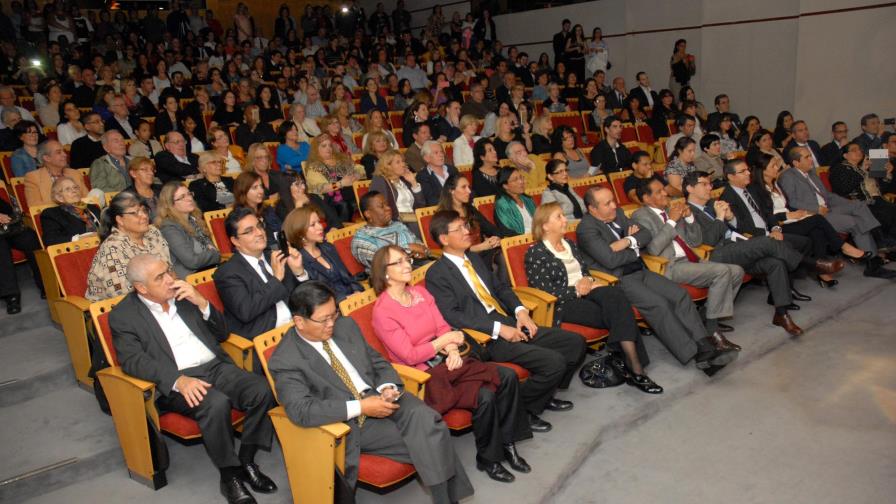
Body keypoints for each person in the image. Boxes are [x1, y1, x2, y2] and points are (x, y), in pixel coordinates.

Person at [268, 280, 474, 502]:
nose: (331, 324)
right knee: (427, 439)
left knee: (428, 421)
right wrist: (362, 406)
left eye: (333, 315)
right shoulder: (286, 359)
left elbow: (377, 362)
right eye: (323, 319)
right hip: (352, 420)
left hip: (381, 396)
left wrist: (387, 387)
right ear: (299, 321)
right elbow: (301, 410)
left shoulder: (344, 326)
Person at [109, 253, 277, 504]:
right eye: (160, 277)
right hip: (177, 380)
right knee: (215, 403)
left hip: (215, 366)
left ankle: (246, 461)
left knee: (263, 390)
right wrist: (178, 380)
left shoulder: (184, 296)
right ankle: (229, 476)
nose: (170, 279)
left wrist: (202, 302)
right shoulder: (124, 315)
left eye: (169, 271)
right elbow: (133, 361)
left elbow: (222, 333)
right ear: (141, 288)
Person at [370, 244, 533, 483]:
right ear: (384, 273)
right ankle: (490, 458)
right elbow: (409, 355)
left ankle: (508, 443)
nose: (408, 265)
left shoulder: (420, 294)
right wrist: (445, 342)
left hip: (449, 362)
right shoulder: (383, 312)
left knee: (506, 377)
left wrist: (452, 349)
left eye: (407, 259)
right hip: (424, 376)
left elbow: (442, 327)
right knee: (486, 394)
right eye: (399, 262)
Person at [426, 209, 585, 432]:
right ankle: (526, 409)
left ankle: (543, 393)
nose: (467, 231)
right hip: (486, 336)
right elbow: (452, 315)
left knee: (575, 343)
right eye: (459, 229)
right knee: (554, 361)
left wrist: (520, 312)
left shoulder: (473, 258)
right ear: (444, 239)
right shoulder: (437, 274)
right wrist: (500, 329)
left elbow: (501, 288)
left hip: (506, 319)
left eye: (465, 226)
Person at [576, 186, 738, 373]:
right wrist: (635, 247)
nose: (614, 205)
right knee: (658, 305)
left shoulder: (618, 213)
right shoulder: (586, 229)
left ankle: (705, 345)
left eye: (613, 200)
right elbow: (609, 260)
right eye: (607, 203)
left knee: (680, 295)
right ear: (592, 209)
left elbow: (645, 234)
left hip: (641, 270)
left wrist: (628, 241)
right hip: (618, 279)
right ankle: (696, 355)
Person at [527, 202, 661, 392]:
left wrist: (588, 280)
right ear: (545, 225)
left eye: (563, 215)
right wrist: (577, 290)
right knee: (618, 313)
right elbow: (546, 293)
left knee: (616, 295)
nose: (565, 220)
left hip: (586, 290)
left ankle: (631, 365)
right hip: (563, 302)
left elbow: (584, 271)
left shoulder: (569, 244)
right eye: (559, 217)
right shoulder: (536, 253)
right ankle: (636, 368)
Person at [684, 170, 830, 336]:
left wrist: (731, 217)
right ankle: (811, 263)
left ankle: (781, 314)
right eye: (704, 184)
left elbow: (737, 229)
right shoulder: (688, 212)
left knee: (776, 263)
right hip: (715, 253)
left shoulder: (711, 204)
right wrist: (719, 218)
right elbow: (707, 240)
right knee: (769, 242)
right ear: (690, 188)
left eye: (710, 183)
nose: (709, 187)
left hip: (736, 246)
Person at [632, 180, 744, 339]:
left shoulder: (670, 210)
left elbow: (696, 241)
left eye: (664, 189)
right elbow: (653, 249)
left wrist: (690, 218)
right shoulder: (640, 216)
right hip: (669, 266)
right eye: (659, 192)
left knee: (737, 271)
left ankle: (707, 317)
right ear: (646, 198)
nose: (665, 193)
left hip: (691, 260)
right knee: (722, 271)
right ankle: (712, 330)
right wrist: (672, 221)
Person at [750, 152, 869, 287]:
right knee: (817, 219)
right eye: (773, 166)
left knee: (817, 230)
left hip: (791, 219)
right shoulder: (756, 189)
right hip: (777, 225)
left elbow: (786, 206)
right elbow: (764, 215)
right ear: (763, 170)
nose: (777, 168)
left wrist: (799, 213)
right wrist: (787, 216)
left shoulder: (775, 184)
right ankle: (843, 247)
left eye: (777, 165)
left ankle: (822, 271)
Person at [777, 147, 891, 278]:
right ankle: (874, 257)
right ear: (796, 163)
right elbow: (792, 202)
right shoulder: (788, 176)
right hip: (814, 214)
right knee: (854, 222)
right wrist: (815, 208)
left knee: (859, 206)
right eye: (807, 157)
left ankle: (877, 249)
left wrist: (849, 203)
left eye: (810, 156)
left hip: (828, 207)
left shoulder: (811, 173)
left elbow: (827, 195)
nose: (811, 160)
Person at [213, 206, 308, 341]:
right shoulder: (227, 273)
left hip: (299, 326)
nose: (259, 233)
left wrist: (299, 272)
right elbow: (247, 311)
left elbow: (305, 296)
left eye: (259, 226)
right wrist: (276, 279)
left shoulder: (275, 256)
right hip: (268, 337)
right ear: (235, 241)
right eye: (249, 231)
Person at [85, 192, 170, 301]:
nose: (144, 216)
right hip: (120, 306)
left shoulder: (153, 232)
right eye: (135, 213)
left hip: (158, 295)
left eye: (144, 210)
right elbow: (123, 295)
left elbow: (169, 271)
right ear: (120, 220)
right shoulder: (112, 248)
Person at [282, 206, 362, 302]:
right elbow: (313, 296)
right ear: (300, 233)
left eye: (319, 222)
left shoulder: (328, 247)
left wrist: (357, 291)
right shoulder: (297, 261)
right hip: (331, 308)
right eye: (313, 225)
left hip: (354, 299)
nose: (320, 227)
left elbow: (348, 277)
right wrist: (344, 299)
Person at [829, 142, 896, 243]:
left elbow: (882, 190)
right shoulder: (839, 168)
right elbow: (844, 189)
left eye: (859, 149)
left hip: (877, 200)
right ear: (845, 155)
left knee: (891, 210)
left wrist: (887, 174)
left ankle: (890, 243)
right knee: (886, 213)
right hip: (859, 203)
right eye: (854, 150)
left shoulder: (867, 167)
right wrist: (862, 170)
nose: (859, 151)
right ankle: (885, 243)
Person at [155, 182, 221, 279]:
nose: (189, 199)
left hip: (209, 270)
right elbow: (192, 262)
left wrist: (213, 254)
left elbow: (213, 250)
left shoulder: (194, 219)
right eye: (182, 197)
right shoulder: (169, 228)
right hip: (193, 277)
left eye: (189, 194)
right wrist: (213, 254)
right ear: (169, 204)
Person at [351, 191, 429, 271]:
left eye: (387, 204)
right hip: (391, 279)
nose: (388, 208)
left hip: (420, 268)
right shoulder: (363, 239)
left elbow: (421, 247)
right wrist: (408, 248)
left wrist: (423, 252)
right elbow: (380, 263)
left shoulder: (398, 225)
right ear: (368, 214)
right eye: (381, 206)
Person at [304, 134, 365, 223]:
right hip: (334, 202)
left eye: (330, 145)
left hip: (355, 195)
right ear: (316, 149)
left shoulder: (342, 160)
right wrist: (341, 184)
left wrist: (356, 176)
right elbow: (318, 188)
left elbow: (361, 169)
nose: (328, 148)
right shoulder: (314, 167)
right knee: (344, 206)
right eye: (324, 146)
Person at [370, 149, 425, 235]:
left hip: (412, 218)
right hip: (396, 222)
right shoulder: (380, 180)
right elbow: (378, 207)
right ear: (388, 165)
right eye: (398, 162)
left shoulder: (404, 180)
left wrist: (414, 182)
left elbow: (421, 205)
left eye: (403, 161)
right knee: (417, 225)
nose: (403, 164)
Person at [40, 176, 102, 247]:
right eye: (68, 189)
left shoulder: (92, 207)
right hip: (79, 250)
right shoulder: (52, 214)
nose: (74, 191)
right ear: (59, 198)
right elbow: (51, 240)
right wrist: (79, 238)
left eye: (75, 187)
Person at [24, 140, 89, 208]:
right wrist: (66, 202)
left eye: (63, 151)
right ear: (47, 158)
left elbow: (87, 198)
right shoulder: (33, 177)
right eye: (58, 152)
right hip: (54, 216)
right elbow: (34, 206)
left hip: (80, 213)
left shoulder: (74, 173)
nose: (65, 154)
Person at [232, 172, 282, 248]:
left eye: (261, 186)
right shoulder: (239, 217)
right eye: (255, 188)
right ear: (243, 191)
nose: (261, 191)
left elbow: (280, 231)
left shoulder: (268, 210)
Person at [495, 167, 536, 236]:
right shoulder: (502, 205)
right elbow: (508, 232)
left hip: (538, 235)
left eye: (521, 178)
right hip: (521, 241)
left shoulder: (527, 199)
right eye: (515, 180)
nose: (521, 182)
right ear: (505, 186)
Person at [417, 141, 460, 206]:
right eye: (436, 153)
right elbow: (431, 200)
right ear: (427, 158)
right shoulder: (423, 176)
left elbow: (466, 189)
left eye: (441, 152)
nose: (441, 155)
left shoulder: (452, 170)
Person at [89, 130, 131, 194]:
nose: (122, 143)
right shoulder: (100, 164)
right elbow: (100, 188)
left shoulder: (134, 161)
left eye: (122, 140)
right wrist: (125, 194)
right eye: (116, 141)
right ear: (106, 148)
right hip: (116, 200)